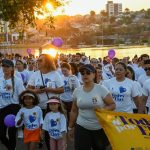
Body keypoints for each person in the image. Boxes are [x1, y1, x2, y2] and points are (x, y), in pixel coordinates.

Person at [68, 64, 115, 150]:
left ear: (94, 74)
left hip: (99, 127)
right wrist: (70, 127)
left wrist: (103, 110)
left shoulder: (101, 89)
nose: (85, 75)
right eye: (82, 73)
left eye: (88, 73)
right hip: (81, 126)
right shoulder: (77, 91)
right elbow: (74, 110)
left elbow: (112, 105)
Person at [27, 54, 64, 150]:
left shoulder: (55, 74)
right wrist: (36, 91)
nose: (37, 62)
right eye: (38, 60)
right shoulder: (35, 74)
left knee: (50, 132)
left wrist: (49, 89)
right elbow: (28, 89)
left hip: (51, 108)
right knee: (39, 130)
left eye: (40, 60)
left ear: (47, 62)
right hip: (38, 107)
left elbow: (61, 89)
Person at [0, 59, 25, 150]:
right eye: (3, 66)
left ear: (12, 68)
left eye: (7, 66)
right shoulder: (0, 79)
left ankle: (11, 148)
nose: (5, 68)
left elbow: (22, 95)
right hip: (2, 108)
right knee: (1, 134)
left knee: (11, 133)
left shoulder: (17, 81)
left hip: (13, 108)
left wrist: (22, 110)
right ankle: (11, 148)